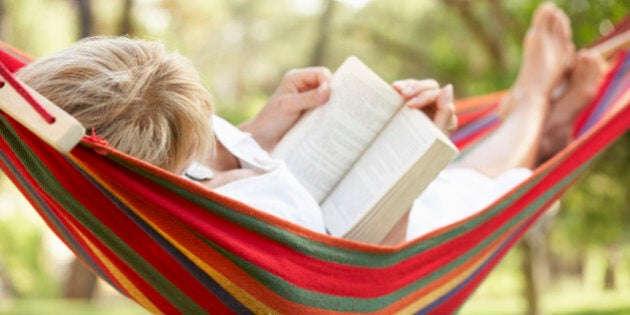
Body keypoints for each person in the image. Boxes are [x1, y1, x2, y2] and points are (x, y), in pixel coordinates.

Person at [15, 35, 456, 235]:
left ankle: (526, 104)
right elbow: (364, 285)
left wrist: (259, 131)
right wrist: (413, 174)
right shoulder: (247, 218)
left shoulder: (154, 159)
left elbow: (188, 166)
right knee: (492, 177)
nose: (212, 137)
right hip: (427, 230)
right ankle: (528, 102)